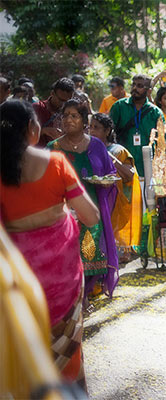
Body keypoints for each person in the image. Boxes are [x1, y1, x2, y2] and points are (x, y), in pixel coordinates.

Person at [0, 100, 100, 390]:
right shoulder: (55, 163)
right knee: (68, 353)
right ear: (33, 129)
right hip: (62, 282)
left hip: (19, 283)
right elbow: (91, 217)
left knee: (26, 351)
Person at [48, 99, 119, 299]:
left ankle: (86, 294)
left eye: (74, 116)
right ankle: (74, 299)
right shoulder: (53, 148)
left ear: (83, 121)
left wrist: (105, 182)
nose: (69, 120)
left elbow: (110, 172)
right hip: (63, 214)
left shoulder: (96, 145)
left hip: (91, 211)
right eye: (65, 116)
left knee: (91, 256)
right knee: (67, 258)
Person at [90, 112, 142, 263]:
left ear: (107, 131)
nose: (92, 131)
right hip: (94, 197)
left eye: (97, 128)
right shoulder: (86, 149)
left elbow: (130, 176)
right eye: (90, 127)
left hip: (115, 199)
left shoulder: (118, 151)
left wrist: (110, 158)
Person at [110, 74, 163, 207]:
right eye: (133, 85)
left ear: (149, 91)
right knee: (123, 209)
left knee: (146, 209)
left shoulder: (155, 113)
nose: (135, 88)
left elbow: (162, 145)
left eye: (139, 86)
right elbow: (107, 135)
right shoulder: (119, 107)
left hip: (147, 171)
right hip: (122, 168)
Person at [33, 77, 75, 146]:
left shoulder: (71, 113)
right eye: (60, 100)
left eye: (67, 101)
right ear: (52, 93)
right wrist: (44, 131)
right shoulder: (37, 108)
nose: (63, 104)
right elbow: (24, 132)